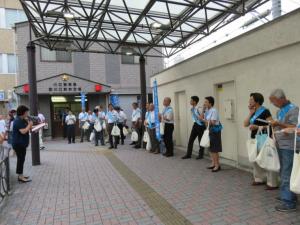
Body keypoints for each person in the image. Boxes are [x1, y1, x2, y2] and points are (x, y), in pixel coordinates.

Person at [269, 89, 298, 212]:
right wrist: (274, 124)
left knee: (287, 172)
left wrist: (279, 123)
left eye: (274, 102)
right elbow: (281, 124)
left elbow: (294, 127)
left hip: (289, 146)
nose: (273, 104)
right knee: (283, 171)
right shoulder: (280, 110)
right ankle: (288, 195)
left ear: (281, 99)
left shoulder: (294, 109)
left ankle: (289, 202)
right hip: (281, 144)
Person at [244, 93, 278, 190]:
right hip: (255, 139)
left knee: (267, 159)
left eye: (251, 100)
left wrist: (258, 127)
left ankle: (272, 182)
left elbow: (272, 124)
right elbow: (245, 124)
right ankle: (259, 178)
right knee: (255, 159)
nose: (249, 101)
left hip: (264, 138)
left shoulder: (265, 111)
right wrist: (250, 113)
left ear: (257, 101)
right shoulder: (253, 111)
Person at [12, 105, 33, 183]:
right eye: (26, 112)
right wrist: (29, 125)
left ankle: (21, 175)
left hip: (22, 143)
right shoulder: (17, 121)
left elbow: (28, 129)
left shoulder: (23, 120)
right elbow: (23, 131)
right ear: (23, 112)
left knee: (22, 159)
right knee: (20, 160)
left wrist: (30, 125)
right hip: (18, 144)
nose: (27, 113)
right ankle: (20, 177)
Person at [201, 96, 222, 172]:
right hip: (208, 130)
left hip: (214, 130)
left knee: (214, 149)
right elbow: (201, 118)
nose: (204, 103)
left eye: (206, 102)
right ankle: (213, 163)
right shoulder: (207, 110)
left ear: (210, 103)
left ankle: (217, 165)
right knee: (210, 147)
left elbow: (213, 122)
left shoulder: (214, 110)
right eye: (204, 102)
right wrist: (203, 110)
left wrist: (204, 120)